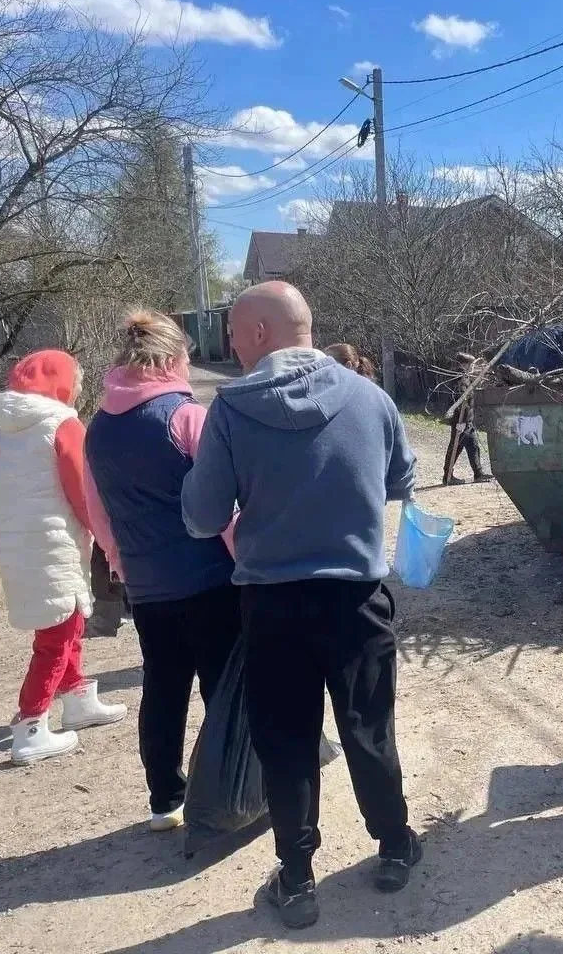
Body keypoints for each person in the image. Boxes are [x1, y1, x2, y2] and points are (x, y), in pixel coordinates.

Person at [181, 281, 420, 930]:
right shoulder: (371, 397)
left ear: (261, 332)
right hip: (356, 600)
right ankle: (395, 846)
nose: (230, 344)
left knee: (285, 742)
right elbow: (402, 478)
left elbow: (203, 517)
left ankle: (296, 878)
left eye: (234, 331)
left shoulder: (231, 411)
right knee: (369, 728)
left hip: (273, 607)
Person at [84, 311, 241, 833]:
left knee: (163, 687)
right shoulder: (187, 417)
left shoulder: (98, 429)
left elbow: (97, 512)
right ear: (172, 358)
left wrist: (122, 562)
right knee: (223, 687)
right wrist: (246, 557)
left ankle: (164, 799)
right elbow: (221, 507)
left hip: (147, 585)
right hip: (209, 579)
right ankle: (228, 792)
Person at [0, 350, 127, 767]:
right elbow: (81, 487)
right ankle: (30, 724)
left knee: (66, 618)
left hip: (18, 542)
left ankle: (77, 696)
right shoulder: (62, 423)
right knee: (58, 634)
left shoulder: (5, 428)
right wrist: (104, 533)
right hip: (54, 543)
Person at [442, 353, 491, 486]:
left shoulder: (462, 377)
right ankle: (449, 476)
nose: (472, 367)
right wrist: (462, 422)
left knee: (469, 446)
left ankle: (477, 473)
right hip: (461, 421)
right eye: (471, 364)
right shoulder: (460, 380)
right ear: (464, 364)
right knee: (457, 448)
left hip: (464, 421)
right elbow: (460, 402)